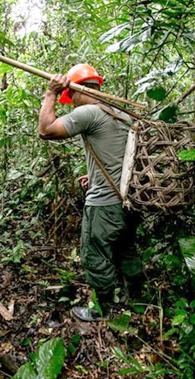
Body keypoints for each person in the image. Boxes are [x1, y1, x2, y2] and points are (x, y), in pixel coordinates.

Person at [38, 64, 144, 322]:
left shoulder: (89, 112)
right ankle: (139, 301)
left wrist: (51, 93)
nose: (71, 102)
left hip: (104, 205)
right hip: (129, 200)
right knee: (126, 249)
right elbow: (121, 156)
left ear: (79, 90)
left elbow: (46, 130)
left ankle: (102, 310)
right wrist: (95, 173)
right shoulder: (121, 113)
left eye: (70, 96)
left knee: (94, 254)